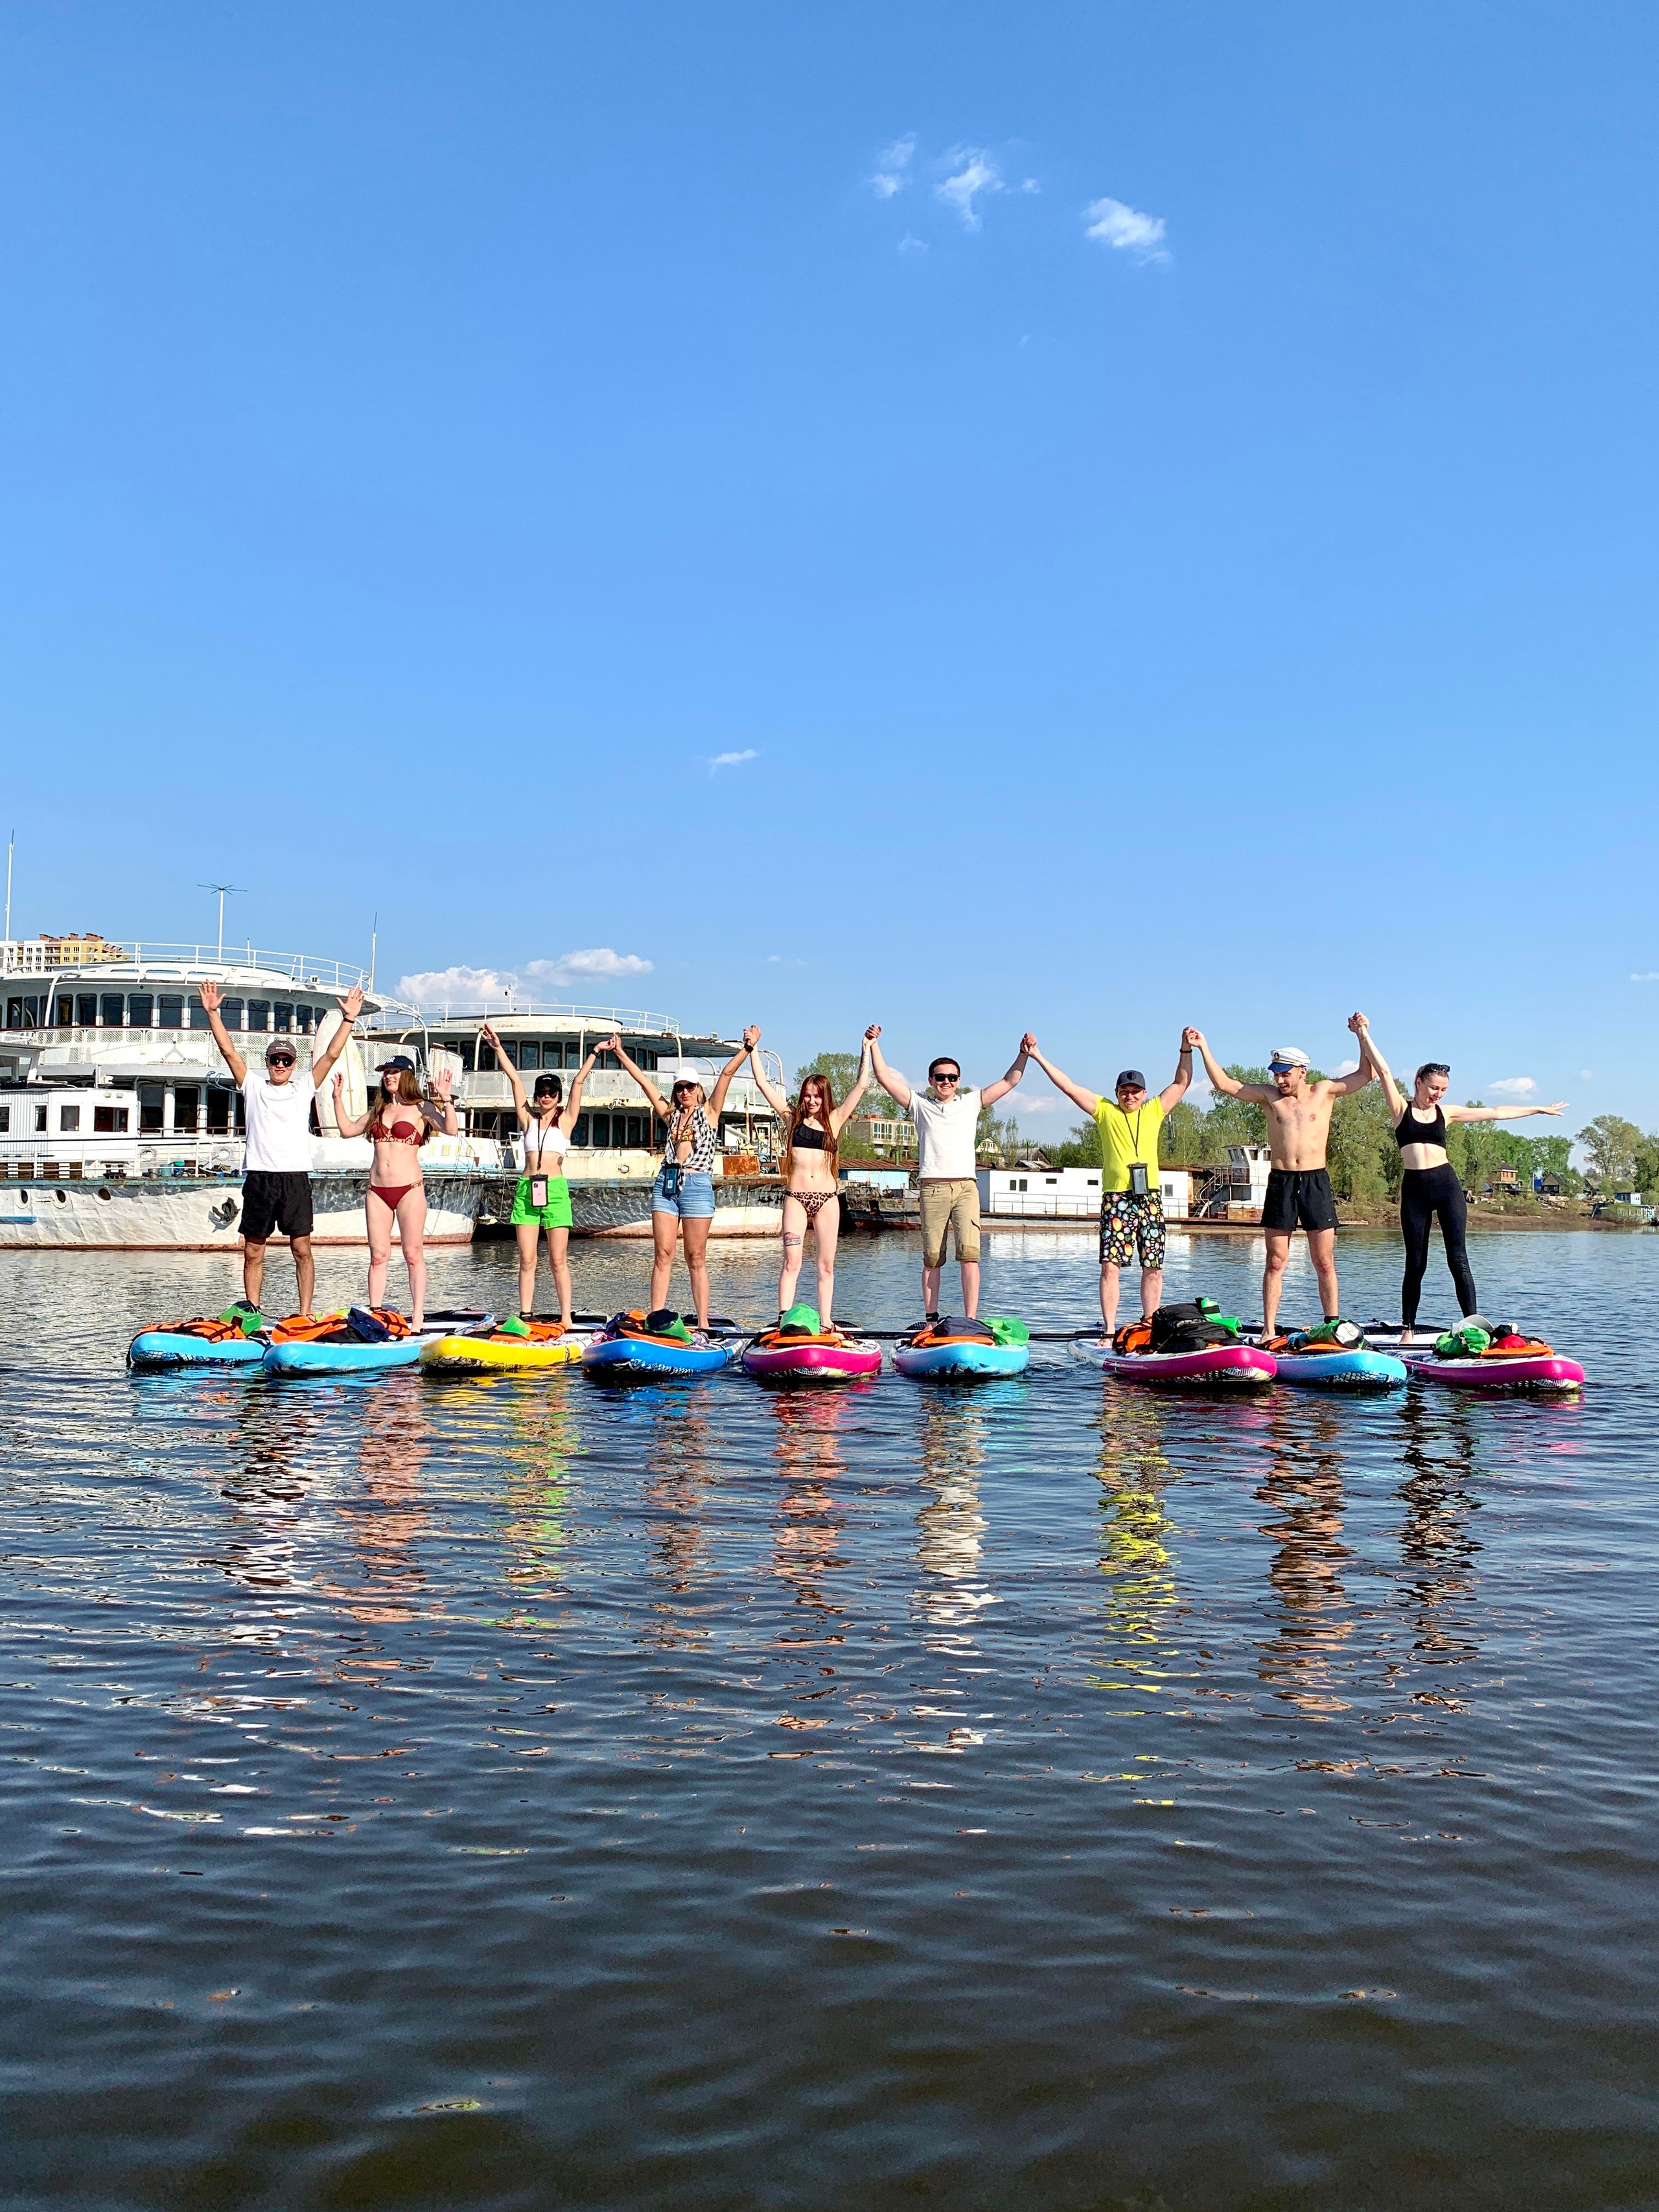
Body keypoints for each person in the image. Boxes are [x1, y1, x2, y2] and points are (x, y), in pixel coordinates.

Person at [1352, 1019, 1566, 1339]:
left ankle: (1474, 1326)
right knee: (1416, 1262)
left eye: (1443, 1090)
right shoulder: (1400, 1109)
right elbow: (1382, 1070)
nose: (1437, 1094)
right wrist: (1363, 1034)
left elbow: (1496, 1111)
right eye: (1433, 1088)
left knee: (1458, 1259)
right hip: (1415, 1190)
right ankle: (1408, 1329)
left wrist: (1539, 1109)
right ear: (1419, 1083)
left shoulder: (1447, 1113)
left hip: (1446, 1186)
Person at [1188, 1019, 1375, 1338]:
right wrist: (1203, 1047)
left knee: (1324, 1261)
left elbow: (1365, 1074)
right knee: (1275, 1261)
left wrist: (1362, 1034)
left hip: (1315, 1181)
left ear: (1302, 1071)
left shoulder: (1324, 1091)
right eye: (1276, 1074)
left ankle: (1332, 1325)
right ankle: (1269, 1329)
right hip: (1282, 1182)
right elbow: (1224, 1084)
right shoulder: (1269, 1097)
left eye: (1285, 1074)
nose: (1280, 1079)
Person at [199, 977, 365, 1319]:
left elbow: (332, 1054)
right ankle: (253, 1312)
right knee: (253, 1252)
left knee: (302, 1249)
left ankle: (304, 1314)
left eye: (286, 1061)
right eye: (275, 1059)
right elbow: (229, 1051)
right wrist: (213, 1013)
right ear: (268, 1061)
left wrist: (349, 1018)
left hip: (294, 1178)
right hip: (260, 1178)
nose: (280, 1065)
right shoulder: (253, 1086)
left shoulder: (303, 1087)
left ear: (293, 1064)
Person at [1023, 1032, 1194, 1334]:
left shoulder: (1154, 1110)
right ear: (1116, 1093)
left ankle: (1149, 1324)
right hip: (1117, 1199)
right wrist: (1037, 1056)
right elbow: (1068, 1087)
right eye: (1124, 1091)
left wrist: (1185, 1048)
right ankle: (1110, 1330)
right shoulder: (1104, 1111)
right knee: (1110, 1266)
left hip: (1149, 1198)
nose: (1130, 1096)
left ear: (1144, 1094)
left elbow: (1181, 1083)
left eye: (1136, 1091)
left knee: (1153, 1266)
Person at [863, 1027, 1032, 1320]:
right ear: (931, 1080)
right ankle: (931, 1319)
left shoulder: (971, 1102)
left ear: (959, 1081)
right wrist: (873, 1044)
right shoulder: (919, 1104)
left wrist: (1023, 1054)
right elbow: (884, 1078)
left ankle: (971, 1320)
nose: (946, 1082)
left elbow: (1010, 1080)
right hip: (933, 1189)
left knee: (970, 1256)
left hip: (966, 1187)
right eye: (940, 1077)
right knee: (932, 1258)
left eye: (952, 1077)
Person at [603, 1030, 758, 1331]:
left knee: (695, 1257)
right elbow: (645, 1084)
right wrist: (620, 1052)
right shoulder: (671, 1115)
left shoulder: (709, 1113)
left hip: (697, 1186)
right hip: (667, 1183)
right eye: (679, 1088)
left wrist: (748, 1048)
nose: (684, 1092)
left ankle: (703, 1322)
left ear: (698, 1089)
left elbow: (726, 1074)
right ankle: (656, 1318)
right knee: (662, 1254)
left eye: (689, 1087)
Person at [741, 1032, 874, 1328]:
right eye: (807, 1095)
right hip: (796, 1200)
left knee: (826, 1266)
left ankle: (826, 1321)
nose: (812, 1100)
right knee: (792, 1262)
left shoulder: (835, 1121)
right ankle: (783, 1320)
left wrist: (866, 1048)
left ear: (825, 1097)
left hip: (827, 1200)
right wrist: (754, 1048)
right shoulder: (792, 1119)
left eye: (817, 1096)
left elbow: (862, 1085)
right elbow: (762, 1084)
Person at [480, 1024, 599, 1325]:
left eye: (551, 1093)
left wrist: (595, 1052)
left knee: (558, 1260)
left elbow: (579, 1083)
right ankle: (526, 1313)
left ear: (558, 1097)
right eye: (542, 1093)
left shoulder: (566, 1121)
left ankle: (566, 1317)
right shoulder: (528, 1120)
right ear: (537, 1097)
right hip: (526, 1190)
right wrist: (498, 1048)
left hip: (555, 1190)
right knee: (527, 1259)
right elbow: (514, 1079)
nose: (546, 1097)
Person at [331, 1055, 459, 1328]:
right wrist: (337, 1098)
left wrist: (446, 1099)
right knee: (378, 1257)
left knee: (413, 1255)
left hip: (409, 1189)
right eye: (386, 1072)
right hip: (377, 1191)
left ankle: (418, 1316)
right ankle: (375, 1312)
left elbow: (451, 1129)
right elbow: (347, 1130)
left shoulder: (421, 1107)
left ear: (407, 1076)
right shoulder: (379, 1109)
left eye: (394, 1072)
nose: (388, 1076)